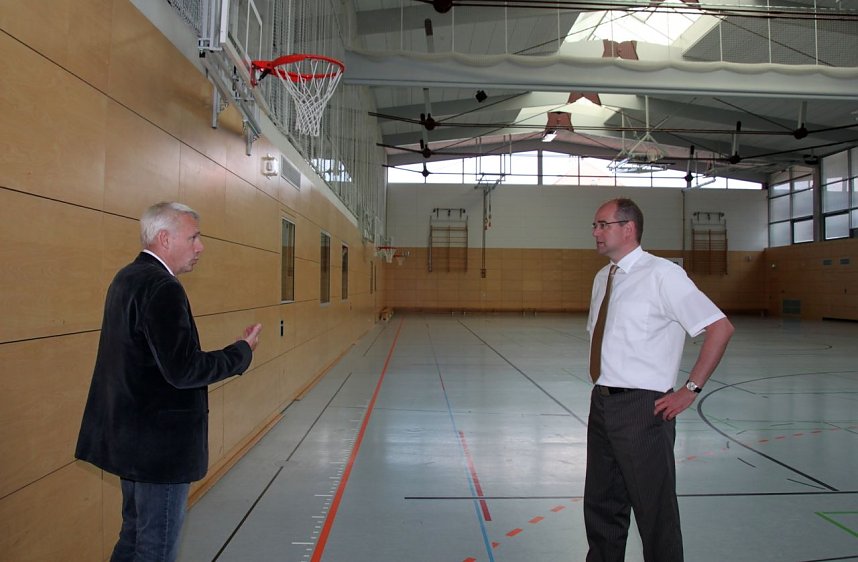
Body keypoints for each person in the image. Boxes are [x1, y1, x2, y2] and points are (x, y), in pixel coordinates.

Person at [75, 201, 263, 562]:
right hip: (158, 451)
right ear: (164, 238)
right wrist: (242, 352)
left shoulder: (127, 277)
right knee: (155, 548)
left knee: (132, 536)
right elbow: (184, 370)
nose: (200, 246)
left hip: (130, 440)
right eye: (193, 237)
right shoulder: (163, 288)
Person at [584, 198, 734, 562]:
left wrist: (690, 389)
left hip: (642, 408)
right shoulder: (604, 277)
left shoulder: (662, 275)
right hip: (603, 402)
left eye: (603, 224)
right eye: (595, 225)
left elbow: (720, 327)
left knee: (655, 513)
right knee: (602, 506)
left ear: (628, 228)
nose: (596, 232)